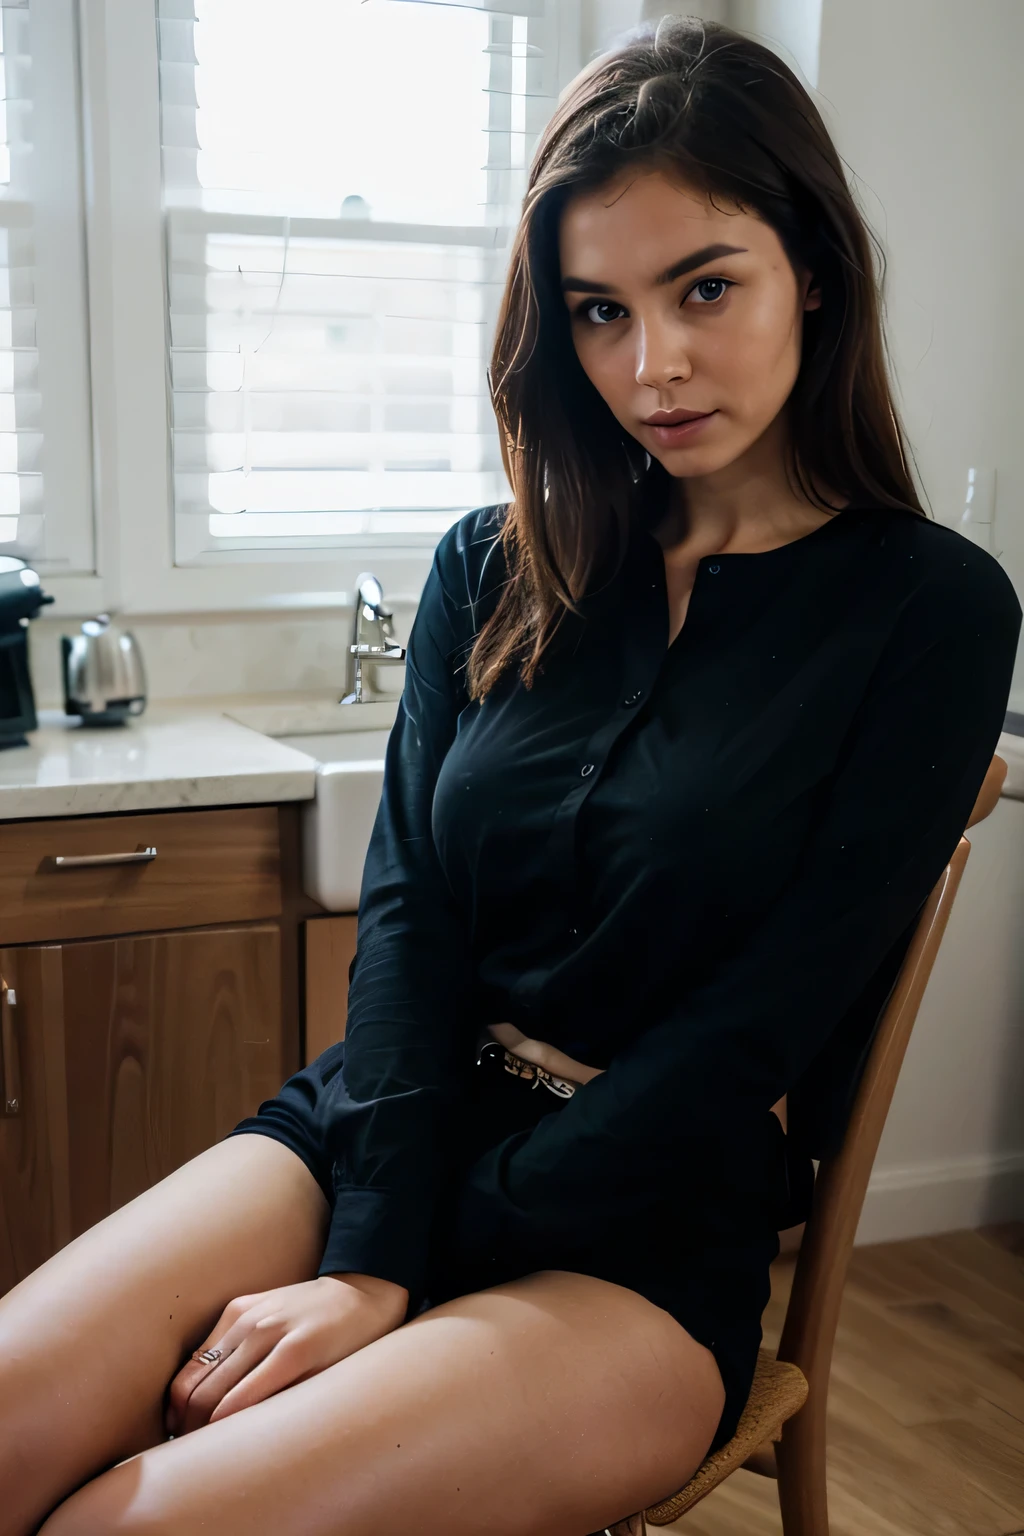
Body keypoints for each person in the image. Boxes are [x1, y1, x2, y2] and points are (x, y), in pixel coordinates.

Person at [3, 15, 1021, 1536]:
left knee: (129, 1526)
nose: (651, 365)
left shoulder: (934, 612)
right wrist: (369, 1246)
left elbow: (760, 1032)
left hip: (648, 1216)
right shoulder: (493, 563)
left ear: (814, 266)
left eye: (705, 289)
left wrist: (410, 1267)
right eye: (599, 311)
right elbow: (407, 919)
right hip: (387, 1127)